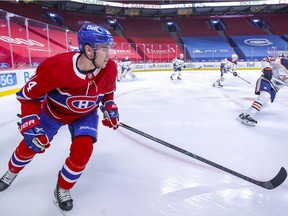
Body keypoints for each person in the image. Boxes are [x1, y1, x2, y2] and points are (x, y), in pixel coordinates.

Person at [0, 24, 119, 214]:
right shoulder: (56, 67)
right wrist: (30, 121)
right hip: (53, 113)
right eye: (104, 49)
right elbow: (28, 96)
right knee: (30, 146)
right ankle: (11, 172)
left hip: (85, 115)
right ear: (89, 50)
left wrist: (110, 107)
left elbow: (108, 93)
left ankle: (63, 188)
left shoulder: (110, 68)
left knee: (83, 151)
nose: (109, 54)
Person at [237, 56, 288, 126]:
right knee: (265, 95)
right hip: (267, 80)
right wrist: (266, 68)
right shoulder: (283, 61)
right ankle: (247, 115)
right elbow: (266, 59)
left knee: (268, 103)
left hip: (275, 88)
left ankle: (245, 114)